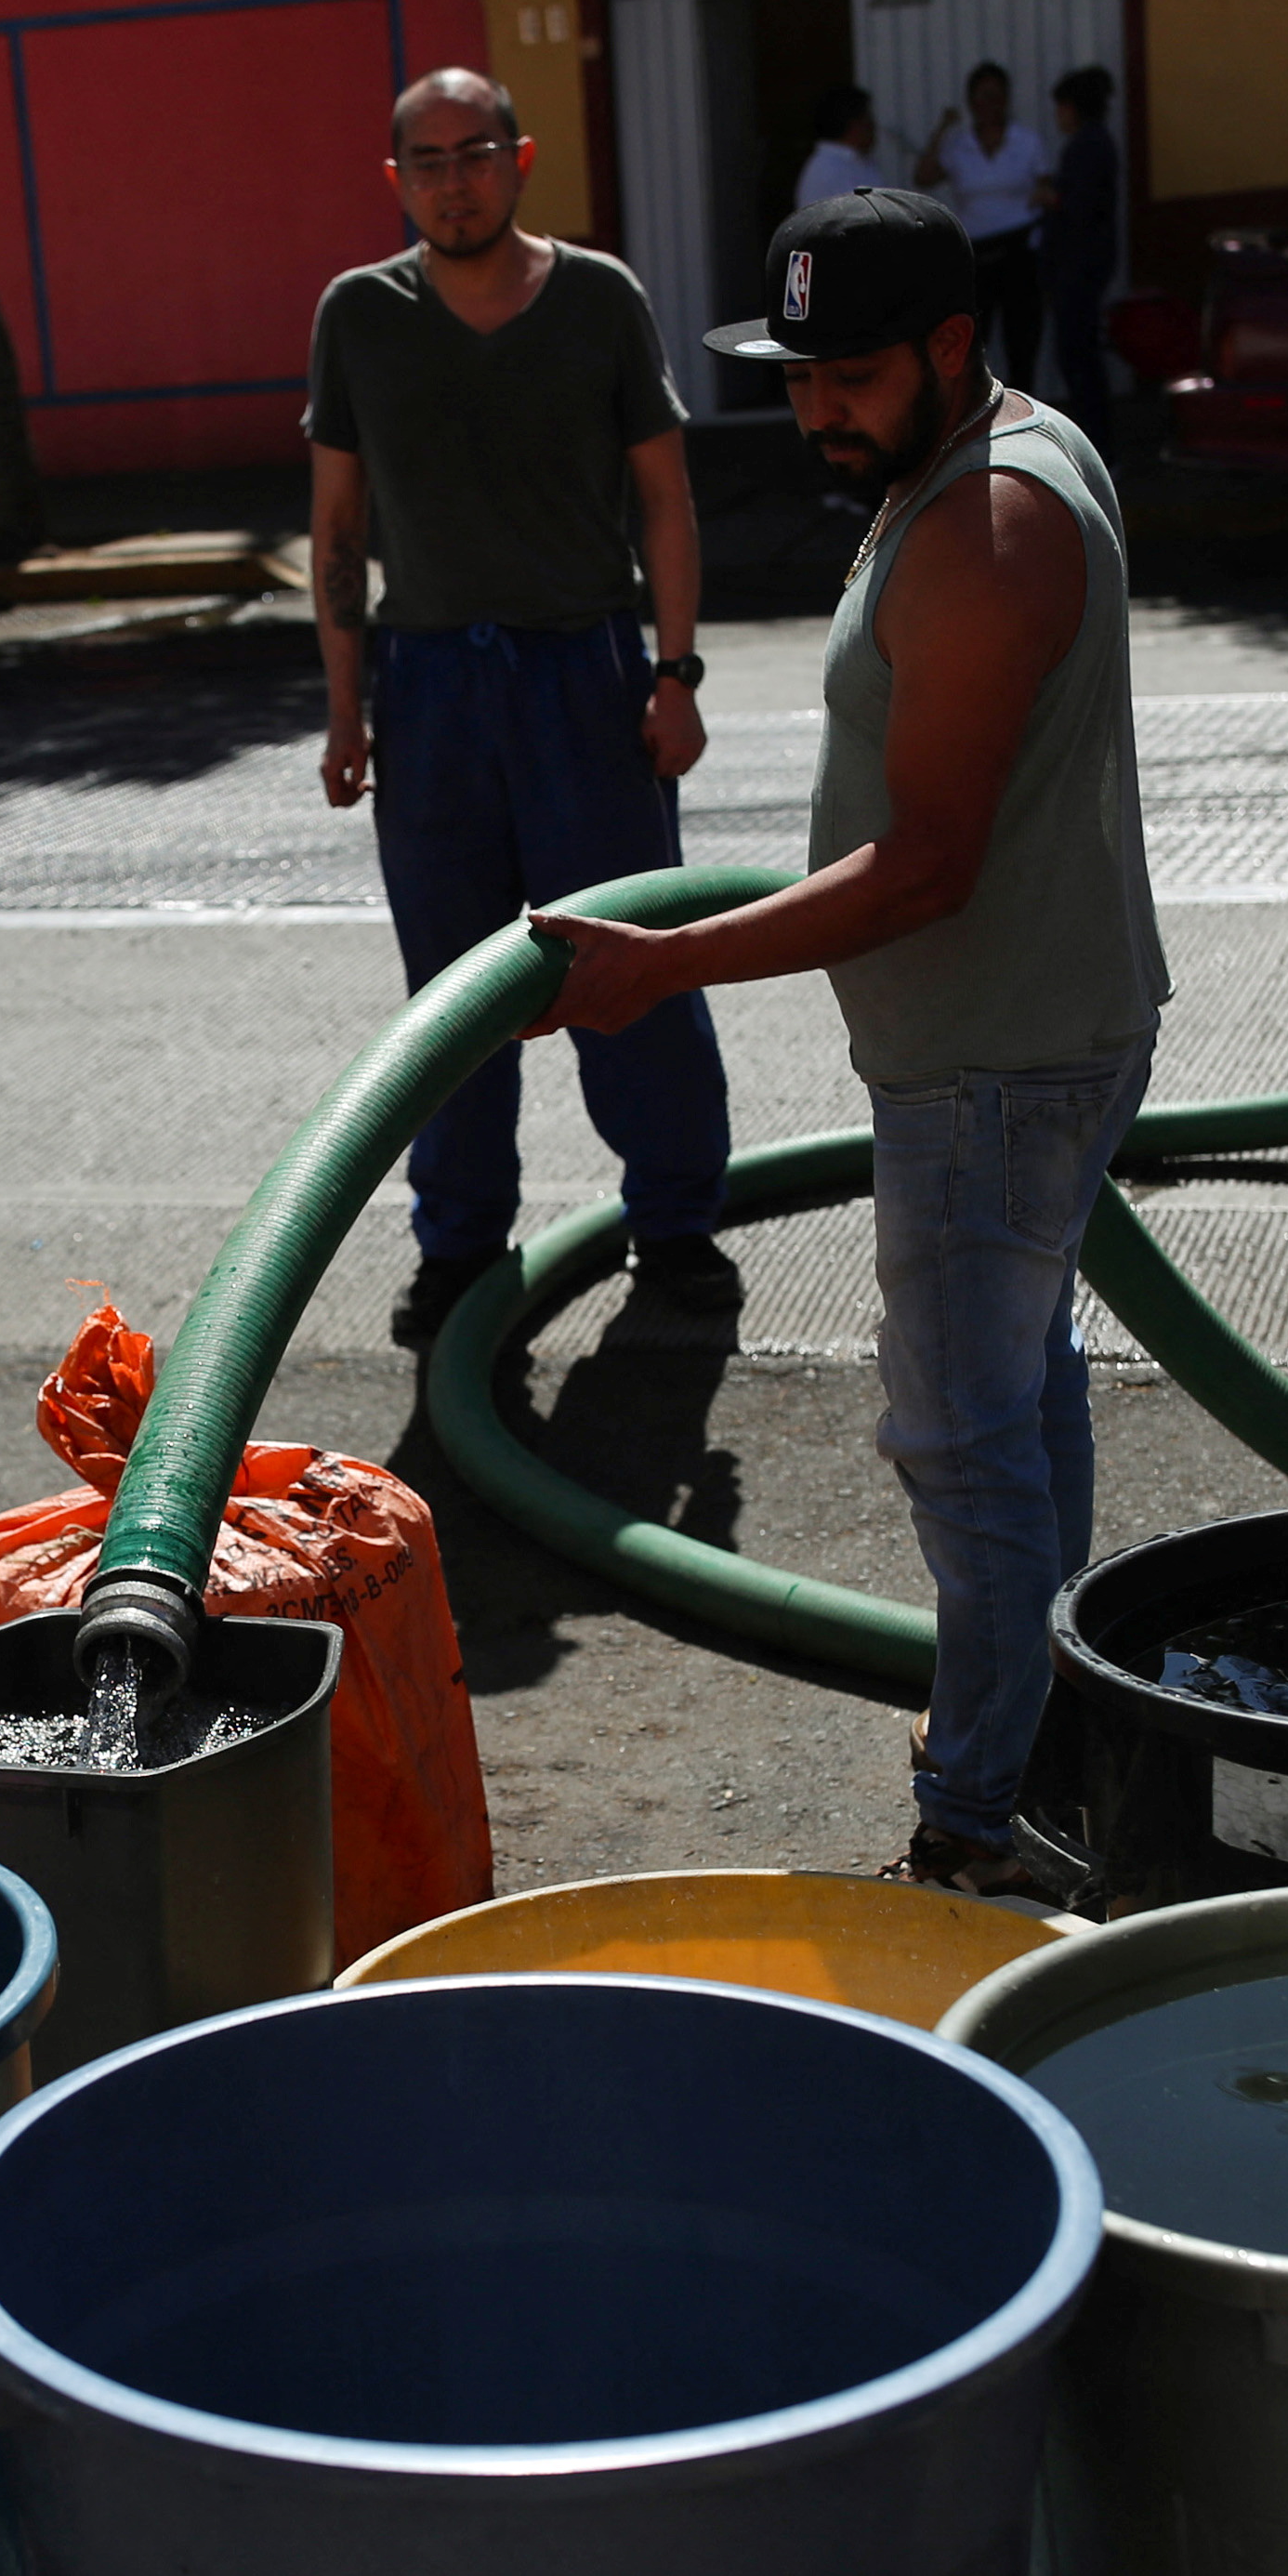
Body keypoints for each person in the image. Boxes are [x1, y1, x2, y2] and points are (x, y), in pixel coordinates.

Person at [529, 191, 1169, 1900]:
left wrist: (663, 965)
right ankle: (1035, 1714)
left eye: (856, 373)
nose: (819, 407)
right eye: (798, 372)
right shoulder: (982, 456)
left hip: (996, 1056)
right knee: (1023, 1384)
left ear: (956, 347)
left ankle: (981, 1819)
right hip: (1023, 1031)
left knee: (963, 1430)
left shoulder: (988, 528)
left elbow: (929, 862)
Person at [309, 63, 741, 1347]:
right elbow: (337, 527)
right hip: (429, 685)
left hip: (586, 675)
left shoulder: (601, 299)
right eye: (427, 162)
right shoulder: (358, 316)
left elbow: (664, 497)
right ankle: (459, 1248)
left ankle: (675, 1225)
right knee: (448, 992)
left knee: (627, 964)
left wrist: (675, 671)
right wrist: (347, 709)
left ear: (521, 156)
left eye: (476, 152)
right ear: (397, 182)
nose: (455, 180)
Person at [914, 62, 1054, 396]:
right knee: (976, 338)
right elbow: (923, 177)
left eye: (996, 96)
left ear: (1006, 99)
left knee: (1023, 337)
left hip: (1020, 248)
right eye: (982, 97)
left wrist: (1041, 198)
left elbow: (1048, 188)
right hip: (977, 251)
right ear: (970, 102)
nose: (989, 104)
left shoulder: (1027, 141)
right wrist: (941, 130)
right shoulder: (958, 144)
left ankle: (1026, 407)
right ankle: (977, 407)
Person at [1044, 65, 1124, 424]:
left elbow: (1082, 206)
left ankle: (1097, 436)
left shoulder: (1085, 147)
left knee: (1077, 353)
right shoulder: (1095, 143)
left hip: (1080, 264)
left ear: (1073, 107)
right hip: (1087, 261)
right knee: (1080, 351)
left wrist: (1051, 198)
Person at [793, 84, 885, 214]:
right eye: (867, 118)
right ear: (854, 124)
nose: (873, 126)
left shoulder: (859, 161)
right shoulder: (827, 168)